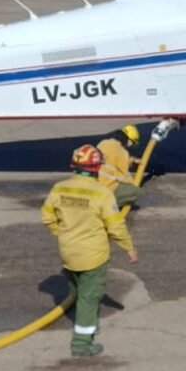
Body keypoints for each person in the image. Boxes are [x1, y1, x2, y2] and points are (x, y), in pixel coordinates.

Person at [40, 144, 137, 357]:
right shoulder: (102, 194)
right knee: (89, 297)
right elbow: (115, 226)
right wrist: (128, 247)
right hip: (93, 256)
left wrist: (62, 234)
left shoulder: (60, 188)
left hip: (68, 252)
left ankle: (88, 320)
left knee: (76, 288)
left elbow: (47, 217)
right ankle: (82, 343)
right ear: (97, 168)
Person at [95, 125, 143, 209]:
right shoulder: (122, 152)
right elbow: (124, 177)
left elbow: (111, 159)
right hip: (108, 188)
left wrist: (132, 160)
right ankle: (108, 206)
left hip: (94, 184)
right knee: (137, 192)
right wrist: (134, 183)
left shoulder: (103, 143)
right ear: (129, 141)